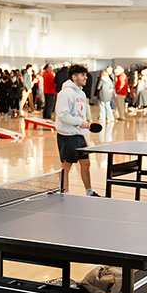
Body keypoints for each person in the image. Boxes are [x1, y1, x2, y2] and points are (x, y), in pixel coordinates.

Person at [55, 65, 99, 197]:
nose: (86, 77)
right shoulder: (66, 93)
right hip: (68, 136)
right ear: (74, 77)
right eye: (82, 75)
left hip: (79, 135)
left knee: (86, 164)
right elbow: (62, 115)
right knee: (66, 167)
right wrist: (81, 123)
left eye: (85, 75)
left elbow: (81, 113)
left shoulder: (81, 92)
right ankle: (65, 193)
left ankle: (89, 192)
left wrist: (85, 125)